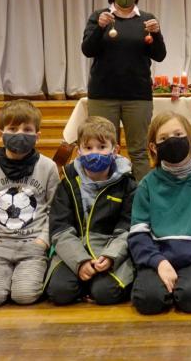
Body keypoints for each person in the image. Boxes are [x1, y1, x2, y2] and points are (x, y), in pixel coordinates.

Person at [129, 111, 191, 314]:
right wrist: (158, 262)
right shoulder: (147, 185)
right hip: (157, 258)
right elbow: (138, 234)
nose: (172, 141)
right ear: (153, 148)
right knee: (148, 301)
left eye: (178, 135)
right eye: (164, 139)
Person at [0, 100, 60, 306]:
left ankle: (29, 274)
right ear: (1, 135)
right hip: (1, 246)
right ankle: (6, 276)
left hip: (34, 245)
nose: (20, 134)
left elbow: (56, 210)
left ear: (37, 136)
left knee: (24, 296)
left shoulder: (48, 167)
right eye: (13, 128)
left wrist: (43, 242)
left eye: (27, 129)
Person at [81, 0, 167, 181]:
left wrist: (156, 33)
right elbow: (87, 50)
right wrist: (99, 28)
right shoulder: (100, 17)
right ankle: (104, 194)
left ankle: (141, 201)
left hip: (137, 96)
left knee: (138, 151)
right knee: (102, 150)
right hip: (103, 95)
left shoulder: (146, 20)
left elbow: (160, 55)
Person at [45, 116, 137, 305]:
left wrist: (111, 256)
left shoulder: (128, 185)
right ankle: (84, 282)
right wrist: (80, 262)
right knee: (60, 292)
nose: (95, 153)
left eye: (102, 147)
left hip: (111, 252)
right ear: (78, 152)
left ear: (115, 150)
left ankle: (94, 286)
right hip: (74, 249)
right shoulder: (68, 184)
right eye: (88, 148)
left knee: (105, 293)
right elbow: (60, 229)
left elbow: (128, 227)